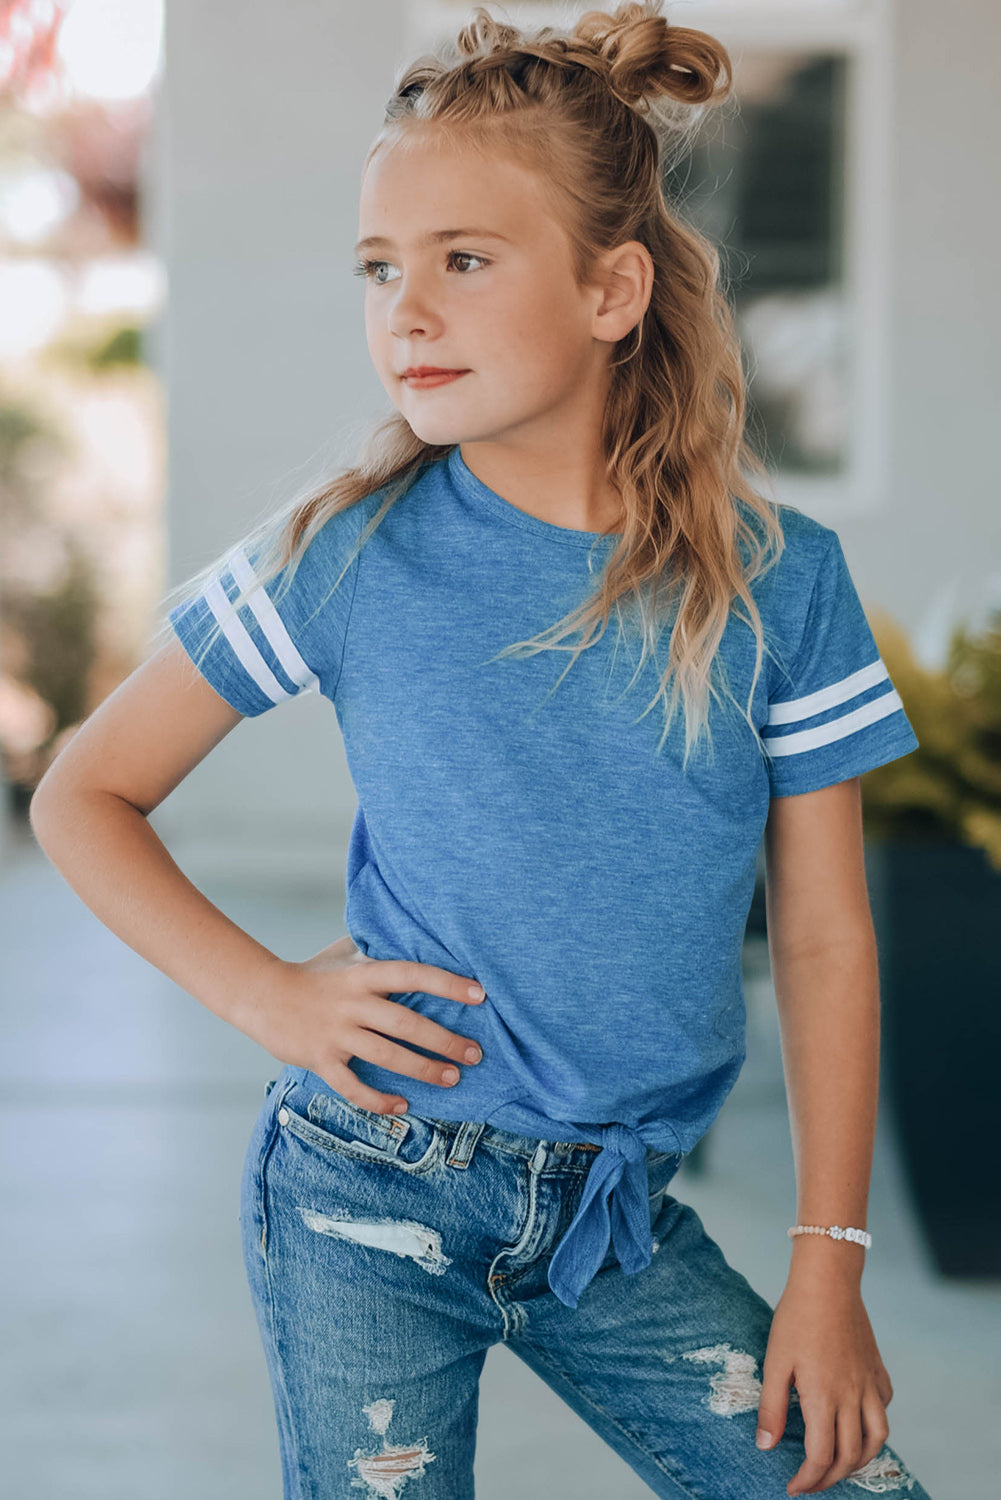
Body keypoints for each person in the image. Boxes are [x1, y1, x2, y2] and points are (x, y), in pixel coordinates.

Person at [28, 4, 936, 1497]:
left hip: (615, 1225)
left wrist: (826, 1265)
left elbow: (827, 939)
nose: (407, 311)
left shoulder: (783, 583)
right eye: (379, 268)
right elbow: (84, 792)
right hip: (364, 1195)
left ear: (611, 289)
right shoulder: (345, 553)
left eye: (463, 259)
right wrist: (266, 995)